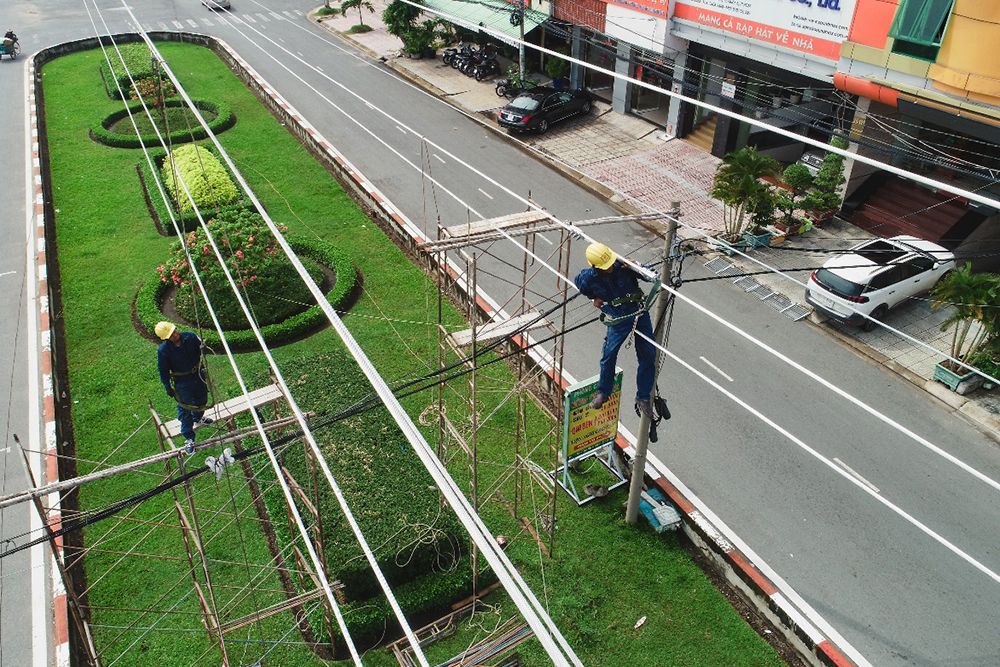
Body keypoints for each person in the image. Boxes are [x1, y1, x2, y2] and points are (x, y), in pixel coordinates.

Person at [574, 242, 656, 419]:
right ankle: (603, 392)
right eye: (606, 266)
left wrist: (637, 267)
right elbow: (581, 286)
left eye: (611, 263)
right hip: (618, 317)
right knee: (609, 354)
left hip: (638, 312)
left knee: (648, 353)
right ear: (596, 267)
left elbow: (652, 277)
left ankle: (643, 397)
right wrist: (594, 297)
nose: (610, 267)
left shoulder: (623, 265)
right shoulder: (589, 277)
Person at [155, 321, 213, 454]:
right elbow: (163, 370)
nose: (176, 334)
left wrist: (203, 347)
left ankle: (198, 417)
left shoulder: (190, 337)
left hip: (198, 375)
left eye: (175, 330)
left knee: (202, 400)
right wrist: (167, 387)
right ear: (166, 338)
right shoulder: (164, 351)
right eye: (172, 334)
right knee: (185, 408)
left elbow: (202, 348)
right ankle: (189, 437)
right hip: (182, 381)